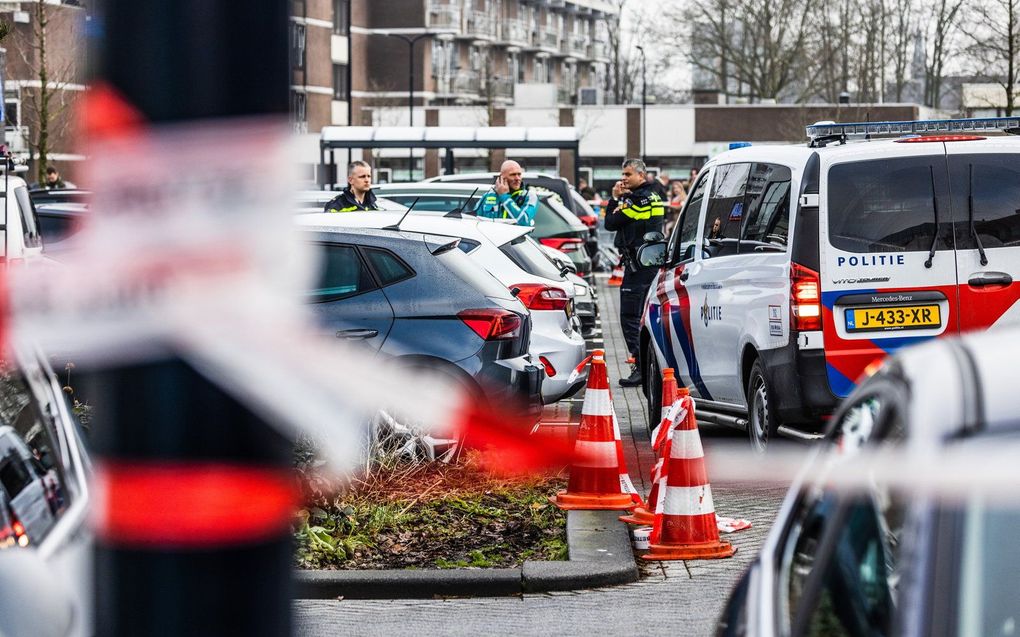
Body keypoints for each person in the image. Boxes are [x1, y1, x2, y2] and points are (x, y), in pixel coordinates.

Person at [604, 158, 665, 387]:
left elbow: (611, 223)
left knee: (630, 317)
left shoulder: (636, 200)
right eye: (623, 174)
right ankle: (648, 365)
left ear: (641, 175)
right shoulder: (652, 196)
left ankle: (640, 367)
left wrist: (614, 199)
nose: (624, 178)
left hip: (638, 267)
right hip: (648, 264)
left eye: (628, 174)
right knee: (643, 317)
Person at [477, 160, 538, 227]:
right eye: (513, 175)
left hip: (516, 237)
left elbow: (524, 221)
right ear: (502, 177)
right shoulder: (488, 196)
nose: (517, 178)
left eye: (519, 174)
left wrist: (504, 197)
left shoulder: (529, 197)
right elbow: (474, 221)